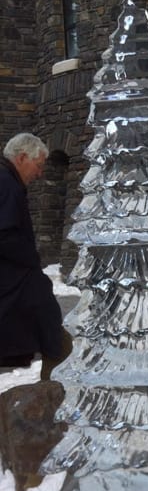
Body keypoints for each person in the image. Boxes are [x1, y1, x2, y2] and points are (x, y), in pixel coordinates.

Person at [0, 132, 69, 380]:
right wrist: (31, 258)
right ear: (21, 158)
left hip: (15, 275)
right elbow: (4, 235)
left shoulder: (7, 182)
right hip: (14, 274)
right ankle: (54, 368)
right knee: (42, 313)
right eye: (38, 166)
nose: (40, 174)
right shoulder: (7, 185)